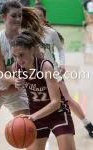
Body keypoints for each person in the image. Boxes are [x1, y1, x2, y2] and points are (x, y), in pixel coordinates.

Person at [0, 1, 45, 150]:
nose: (18, 19)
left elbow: (41, 64)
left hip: (18, 91)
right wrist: (18, 80)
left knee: (29, 130)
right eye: (14, 16)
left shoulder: (28, 39)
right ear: (3, 17)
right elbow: (1, 75)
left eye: (20, 16)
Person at [0, 30, 76, 150]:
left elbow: (56, 102)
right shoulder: (16, 67)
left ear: (32, 50)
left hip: (57, 113)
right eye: (15, 56)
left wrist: (33, 117)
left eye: (21, 54)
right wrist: (4, 91)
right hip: (36, 114)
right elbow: (18, 88)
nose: (18, 60)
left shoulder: (45, 67)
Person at [33, 5, 93, 138]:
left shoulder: (51, 33)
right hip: (35, 73)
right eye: (35, 16)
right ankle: (36, 126)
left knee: (66, 99)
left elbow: (60, 49)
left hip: (52, 72)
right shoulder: (27, 33)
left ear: (44, 18)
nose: (37, 19)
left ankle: (87, 124)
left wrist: (62, 64)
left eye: (40, 16)